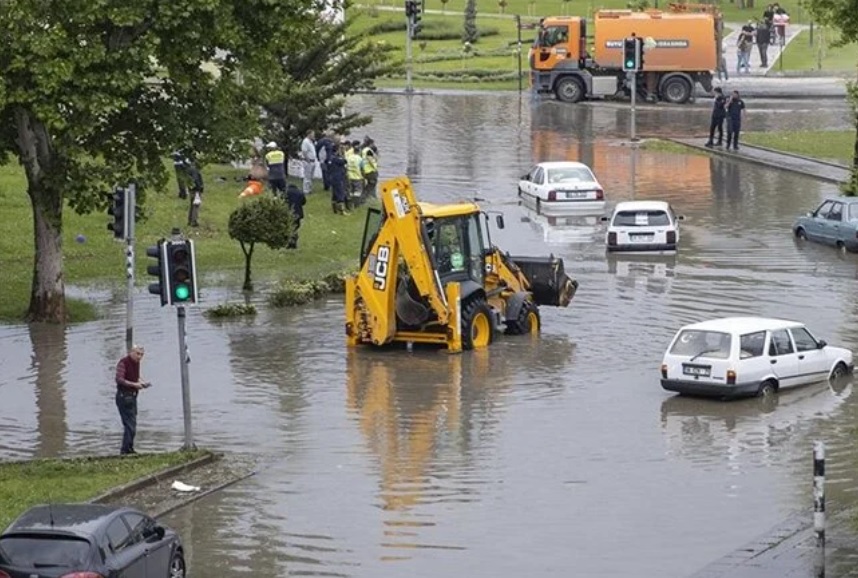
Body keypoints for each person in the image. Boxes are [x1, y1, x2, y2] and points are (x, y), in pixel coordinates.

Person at [115, 345, 150, 455]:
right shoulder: (124, 362)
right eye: (137, 354)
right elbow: (119, 379)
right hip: (124, 396)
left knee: (132, 424)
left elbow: (135, 377)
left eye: (141, 355)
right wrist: (134, 384)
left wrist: (141, 382)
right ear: (131, 352)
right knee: (129, 424)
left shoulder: (136, 363)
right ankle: (125, 450)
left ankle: (129, 448)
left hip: (133, 396)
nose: (139, 357)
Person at [182, 158, 204, 227]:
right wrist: (199, 188)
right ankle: (194, 221)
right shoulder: (194, 170)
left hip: (191, 190)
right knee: (196, 206)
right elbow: (196, 179)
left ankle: (189, 220)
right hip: (196, 190)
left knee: (192, 206)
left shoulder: (187, 170)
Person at [328, 144, 349, 215]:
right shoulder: (337, 159)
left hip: (332, 177)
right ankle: (342, 211)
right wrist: (343, 154)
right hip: (338, 178)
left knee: (334, 194)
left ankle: (335, 209)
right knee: (340, 193)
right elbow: (345, 161)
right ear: (337, 150)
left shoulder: (330, 158)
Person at [285, 183, 306, 249]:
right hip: (298, 213)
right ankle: (293, 241)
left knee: (289, 227)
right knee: (295, 227)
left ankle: (291, 242)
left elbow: (283, 200)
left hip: (289, 212)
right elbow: (304, 202)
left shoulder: (286, 192)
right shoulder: (300, 192)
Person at [300, 130, 317, 195]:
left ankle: (309, 189)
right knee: (307, 176)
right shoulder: (305, 141)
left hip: (313, 160)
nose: (314, 135)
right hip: (308, 161)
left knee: (311, 176)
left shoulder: (311, 142)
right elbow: (304, 151)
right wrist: (308, 159)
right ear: (309, 134)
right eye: (313, 134)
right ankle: (306, 190)